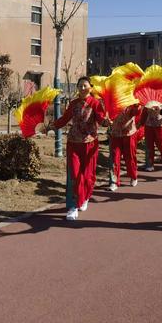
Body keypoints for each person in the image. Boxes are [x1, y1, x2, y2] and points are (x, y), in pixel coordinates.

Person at [48, 76, 110, 220]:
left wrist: (107, 121)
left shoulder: (95, 103)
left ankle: (85, 196)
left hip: (90, 144)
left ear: (91, 87)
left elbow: (101, 120)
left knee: (88, 176)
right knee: (75, 175)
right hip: (74, 143)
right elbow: (64, 119)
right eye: (80, 86)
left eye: (85, 86)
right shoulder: (73, 103)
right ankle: (73, 206)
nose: (82, 89)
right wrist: (51, 126)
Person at [108, 103, 142, 191]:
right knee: (114, 158)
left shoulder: (131, 100)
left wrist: (136, 106)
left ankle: (133, 176)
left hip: (129, 133)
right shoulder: (113, 99)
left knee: (130, 157)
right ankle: (114, 182)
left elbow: (137, 113)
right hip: (115, 133)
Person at [138, 105, 162, 172]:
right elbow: (143, 116)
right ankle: (149, 165)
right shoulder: (147, 104)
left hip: (160, 126)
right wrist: (141, 124)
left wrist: (159, 110)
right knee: (149, 146)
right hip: (149, 126)